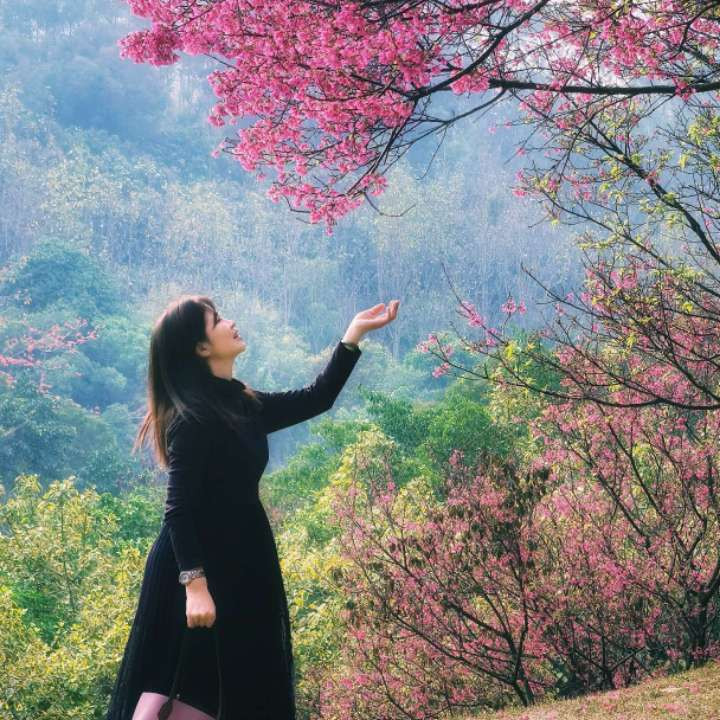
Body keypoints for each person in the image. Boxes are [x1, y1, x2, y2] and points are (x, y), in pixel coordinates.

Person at [104, 295, 400, 720]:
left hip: (242, 561)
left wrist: (354, 334)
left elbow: (317, 398)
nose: (231, 323)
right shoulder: (192, 418)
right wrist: (195, 587)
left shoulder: (242, 403)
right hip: (197, 568)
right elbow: (178, 508)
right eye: (217, 320)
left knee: (242, 683)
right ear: (201, 347)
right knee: (189, 689)